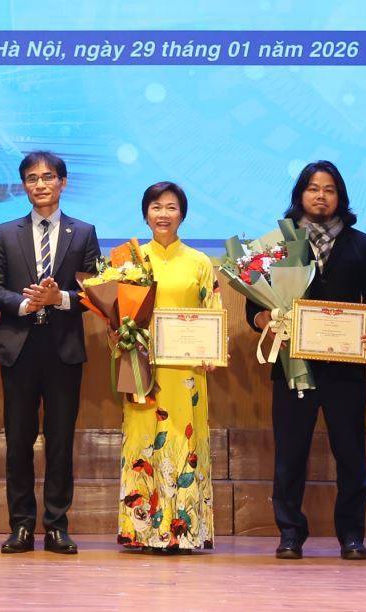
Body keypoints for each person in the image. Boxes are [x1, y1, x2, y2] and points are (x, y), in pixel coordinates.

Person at [248, 160, 366, 560]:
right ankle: (290, 533)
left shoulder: (361, 243)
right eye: (313, 188)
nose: (321, 196)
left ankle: (352, 536)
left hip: (346, 367)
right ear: (301, 194)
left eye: (329, 189)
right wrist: (262, 319)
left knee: (351, 455)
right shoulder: (278, 243)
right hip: (293, 364)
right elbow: (253, 304)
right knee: (290, 455)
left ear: (339, 196)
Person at [0, 151, 100, 555]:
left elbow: (96, 290)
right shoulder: (5, 232)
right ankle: (20, 526)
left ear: (62, 183)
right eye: (32, 178)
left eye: (48, 177)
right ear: (24, 185)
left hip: (62, 350)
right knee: (18, 442)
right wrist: (24, 303)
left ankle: (56, 526)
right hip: (18, 348)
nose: (40, 184)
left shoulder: (83, 232)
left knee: (60, 441)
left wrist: (59, 298)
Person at [117, 181, 219, 553]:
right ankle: (142, 531)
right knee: (145, 439)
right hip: (142, 368)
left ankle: (184, 530)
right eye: (156, 207)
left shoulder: (200, 262)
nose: (163, 214)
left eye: (171, 207)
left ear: (182, 214)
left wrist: (212, 351)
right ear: (146, 214)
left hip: (185, 372)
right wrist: (122, 334)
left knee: (182, 441)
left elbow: (212, 313)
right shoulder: (128, 260)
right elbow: (118, 313)